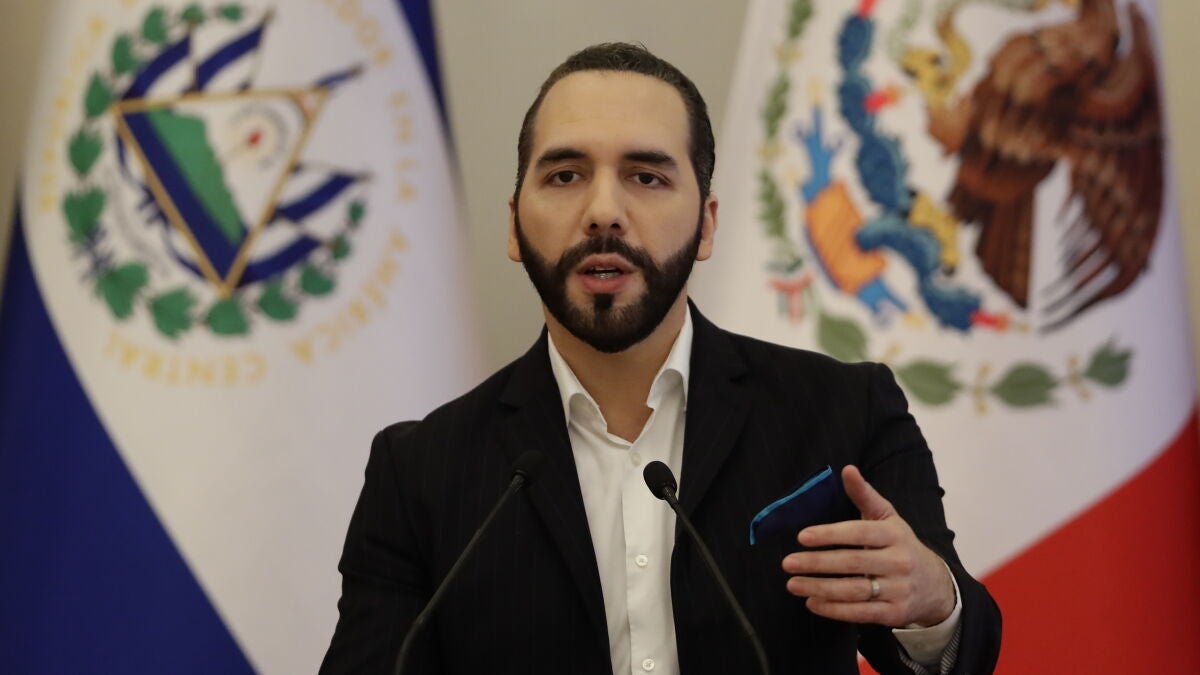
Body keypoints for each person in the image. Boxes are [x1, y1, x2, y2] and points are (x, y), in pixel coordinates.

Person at [320, 43, 1001, 675]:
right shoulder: (419, 472)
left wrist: (932, 600)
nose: (603, 212)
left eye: (646, 176)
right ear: (515, 224)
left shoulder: (845, 410)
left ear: (706, 224)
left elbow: (962, 652)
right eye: (565, 175)